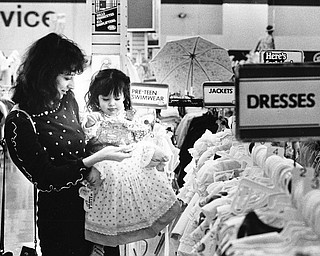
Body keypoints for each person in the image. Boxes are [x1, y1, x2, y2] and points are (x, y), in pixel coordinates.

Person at [4, 33, 134, 256]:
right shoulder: (19, 121)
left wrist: (96, 162)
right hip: (59, 222)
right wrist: (96, 160)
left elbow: (81, 146)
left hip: (96, 210)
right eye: (66, 77)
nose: (72, 84)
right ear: (44, 74)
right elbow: (45, 179)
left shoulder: (68, 100)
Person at [81, 68, 181, 254]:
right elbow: (86, 137)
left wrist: (150, 150)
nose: (112, 104)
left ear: (125, 97)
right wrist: (89, 124)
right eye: (106, 99)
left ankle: (130, 231)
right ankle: (101, 240)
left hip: (127, 166)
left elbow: (140, 142)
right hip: (104, 168)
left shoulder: (130, 118)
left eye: (117, 99)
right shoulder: (94, 118)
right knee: (106, 188)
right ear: (97, 99)